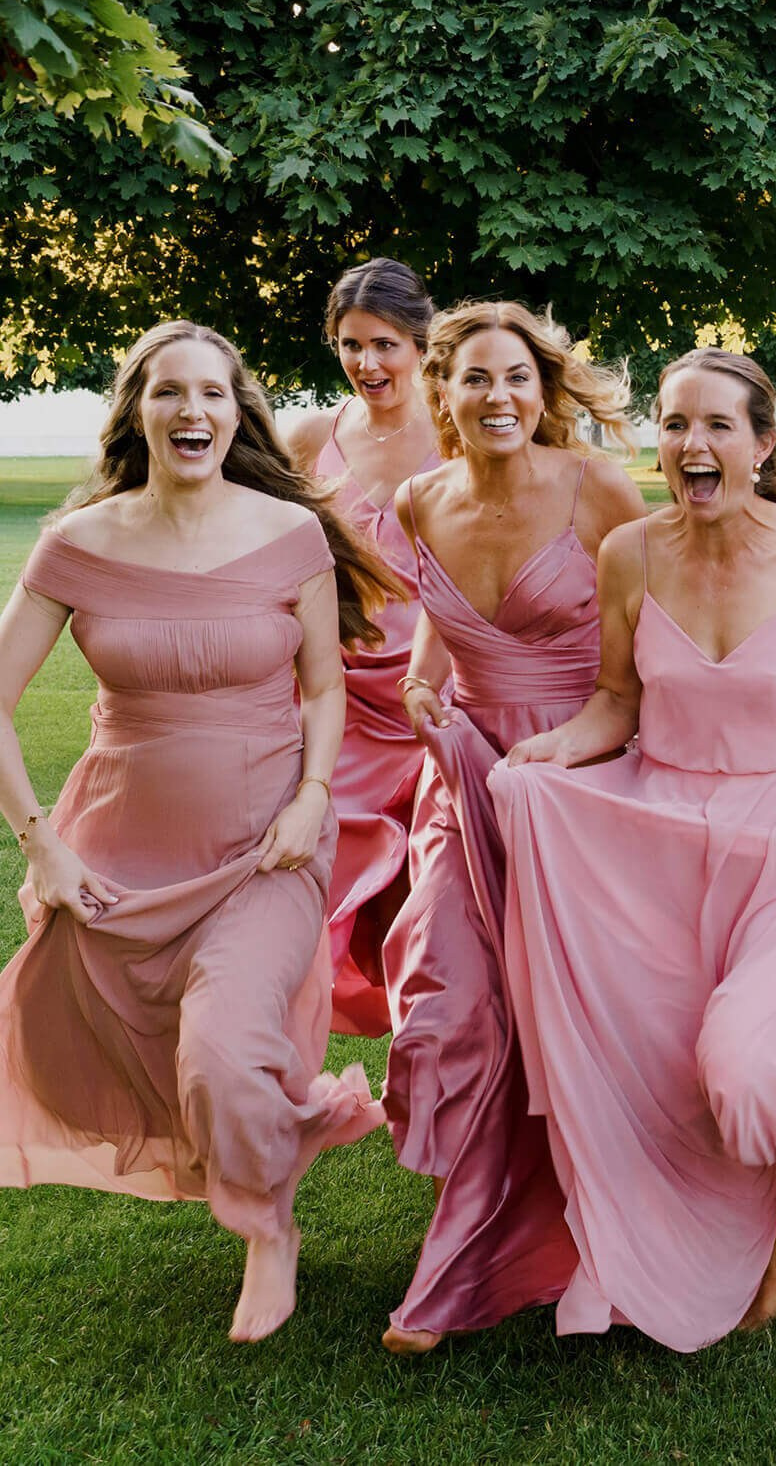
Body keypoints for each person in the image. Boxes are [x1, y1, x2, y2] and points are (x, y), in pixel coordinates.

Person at [491, 348, 776, 1354]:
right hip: (659, 839)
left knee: (749, 1067)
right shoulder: (628, 552)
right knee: (662, 1071)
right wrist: (548, 753)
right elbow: (619, 700)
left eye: (718, 425)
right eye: (676, 425)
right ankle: (731, 1250)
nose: (692, 444)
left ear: (762, 445)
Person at [0, 321, 396, 1341]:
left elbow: (321, 688)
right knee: (118, 1046)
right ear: (137, 410)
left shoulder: (287, 533)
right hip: (119, 853)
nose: (193, 411)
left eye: (213, 394)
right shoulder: (79, 545)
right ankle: (266, 1142)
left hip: (267, 843)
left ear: (238, 411)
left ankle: (269, 1225)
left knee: (222, 1055)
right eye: (170, 393)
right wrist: (41, 839)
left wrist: (314, 798)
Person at [377, 302, 643, 1353]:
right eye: (476, 379)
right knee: (453, 1007)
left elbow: (648, 636)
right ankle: (467, 1252)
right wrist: (415, 683)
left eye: (517, 378)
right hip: (465, 780)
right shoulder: (415, 498)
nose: (498, 397)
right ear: (441, 392)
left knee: (578, 1031)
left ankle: (602, 1245)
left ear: (545, 390)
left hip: (583, 783)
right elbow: (442, 629)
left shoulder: (597, 491)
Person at [283, 259, 443, 1036]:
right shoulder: (309, 436)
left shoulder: (461, 431)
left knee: (443, 902)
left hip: (429, 696)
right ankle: (282, 1056)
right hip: (334, 694)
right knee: (304, 886)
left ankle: (440, 1058)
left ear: (420, 343)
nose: (366, 364)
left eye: (384, 344)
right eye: (349, 345)